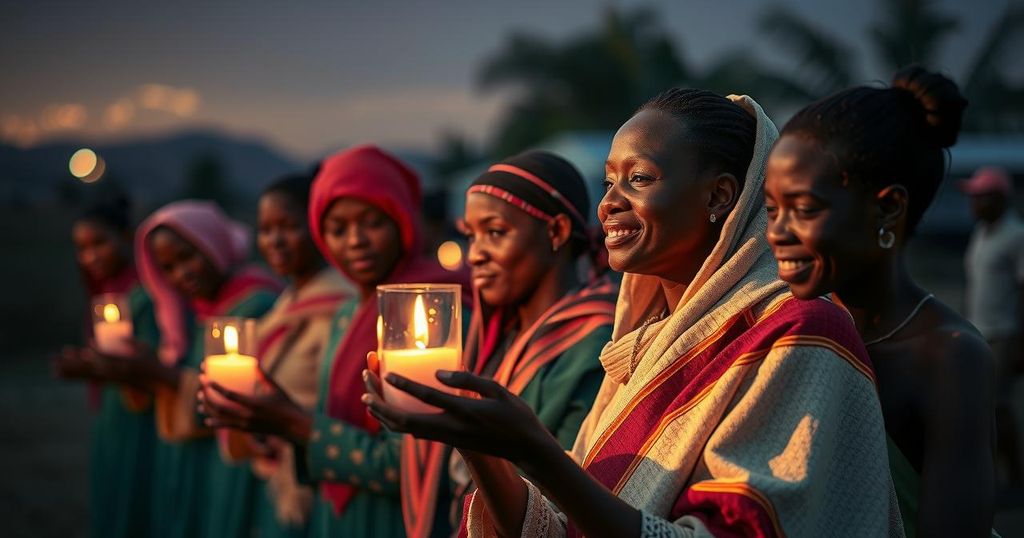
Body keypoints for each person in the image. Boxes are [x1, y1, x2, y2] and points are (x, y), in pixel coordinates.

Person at [364, 90, 903, 537]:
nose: (609, 203)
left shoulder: (796, 330)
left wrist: (533, 450)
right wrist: (479, 445)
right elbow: (556, 528)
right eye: (608, 182)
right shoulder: (646, 345)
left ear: (720, 196)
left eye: (639, 179)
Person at [763, 66, 995, 537]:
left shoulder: (949, 356)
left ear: (888, 207)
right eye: (771, 209)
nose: (777, 233)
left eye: (805, 210)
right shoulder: (787, 326)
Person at [199, 145, 468, 538]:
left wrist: (297, 423)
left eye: (372, 222)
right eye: (338, 229)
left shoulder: (435, 310)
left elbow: (414, 462)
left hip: (401, 522)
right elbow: (331, 414)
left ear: (403, 221)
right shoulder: (346, 314)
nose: (355, 240)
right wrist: (272, 417)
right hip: (337, 517)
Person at [401, 150, 617, 537]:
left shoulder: (599, 346)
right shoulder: (491, 337)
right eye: (470, 236)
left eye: (495, 233)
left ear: (557, 232)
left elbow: (571, 490)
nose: (475, 254)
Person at [91, 200, 281, 538]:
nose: (183, 274)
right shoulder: (193, 312)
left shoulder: (255, 305)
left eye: (188, 256)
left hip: (231, 465)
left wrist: (160, 375)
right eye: (168, 268)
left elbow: (247, 403)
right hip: (194, 461)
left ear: (214, 244)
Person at [249, 172, 352, 536]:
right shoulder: (287, 303)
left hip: (320, 487)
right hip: (278, 477)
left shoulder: (341, 308)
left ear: (318, 227)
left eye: (288, 226)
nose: (275, 240)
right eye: (265, 229)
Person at [53, 197, 160, 538]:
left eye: (99, 243)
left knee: (135, 499)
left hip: (142, 419)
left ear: (127, 237)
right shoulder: (103, 294)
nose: (91, 257)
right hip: (111, 416)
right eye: (82, 249)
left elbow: (150, 362)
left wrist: (98, 369)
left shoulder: (148, 295)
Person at [961, 165, 1023, 489]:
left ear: (999, 199)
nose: (974, 204)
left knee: (999, 407)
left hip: (1003, 333)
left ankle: (1013, 477)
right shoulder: (982, 233)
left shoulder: (1016, 236)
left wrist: (1020, 343)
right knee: (983, 406)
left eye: (980, 197)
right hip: (979, 330)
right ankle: (996, 476)